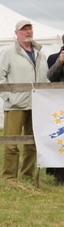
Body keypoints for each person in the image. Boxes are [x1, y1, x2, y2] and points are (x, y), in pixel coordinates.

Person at [0, 20, 49, 180]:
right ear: (16, 33)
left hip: (37, 104)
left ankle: (28, 176)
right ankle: (9, 178)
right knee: (11, 143)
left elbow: (44, 77)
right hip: (16, 105)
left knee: (32, 143)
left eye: (29, 28)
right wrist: (10, 98)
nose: (28, 32)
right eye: (24, 29)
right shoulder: (8, 52)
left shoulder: (39, 53)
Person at [46, 46, 64, 184]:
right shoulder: (54, 57)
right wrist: (60, 63)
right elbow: (50, 76)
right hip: (60, 104)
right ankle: (60, 175)